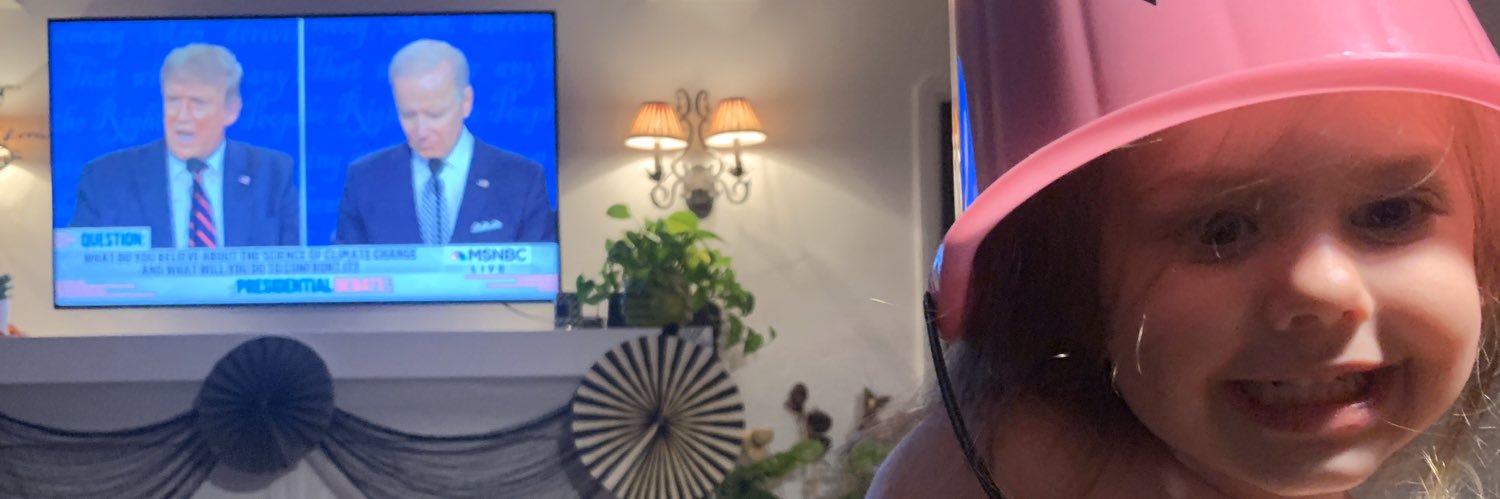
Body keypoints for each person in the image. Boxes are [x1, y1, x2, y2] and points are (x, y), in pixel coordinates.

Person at [870, 2, 1500, 498]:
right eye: (1222, 230)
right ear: (1072, 291)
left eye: (1391, 214)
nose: (1323, 286)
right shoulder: (1026, 460)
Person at [70, 43, 299, 248]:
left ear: (231, 110)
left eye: (198, 103)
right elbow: (78, 272)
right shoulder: (106, 179)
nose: (182, 116)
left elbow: (296, 268)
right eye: (173, 101)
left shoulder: (272, 174)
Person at [335, 39, 555, 245]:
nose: (421, 131)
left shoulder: (522, 180)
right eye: (408, 115)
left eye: (435, 115)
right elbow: (349, 268)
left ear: (466, 102)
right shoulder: (365, 180)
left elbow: (540, 269)